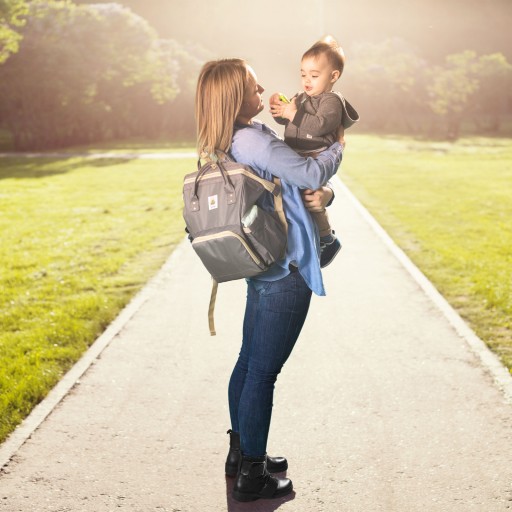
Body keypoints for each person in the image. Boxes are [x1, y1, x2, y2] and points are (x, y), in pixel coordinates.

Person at [195, 58, 344, 502]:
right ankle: (254, 475)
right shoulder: (252, 141)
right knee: (262, 373)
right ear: (235, 99)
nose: (263, 92)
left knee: (248, 363)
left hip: (262, 266)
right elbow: (312, 173)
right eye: (255, 88)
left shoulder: (226, 140)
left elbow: (297, 181)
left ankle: (242, 453)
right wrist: (338, 143)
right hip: (287, 267)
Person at [269, 35, 359, 268]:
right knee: (294, 196)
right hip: (297, 154)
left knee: (310, 196)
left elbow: (319, 125)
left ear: (333, 76)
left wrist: (293, 114)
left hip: (316, 155)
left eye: (314, 75)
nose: (307, 81)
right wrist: (280, 112)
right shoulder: (300, 98)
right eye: (303, 74)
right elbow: (291, 123)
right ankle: (305, 236)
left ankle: (326, 237)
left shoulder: (332, 102)